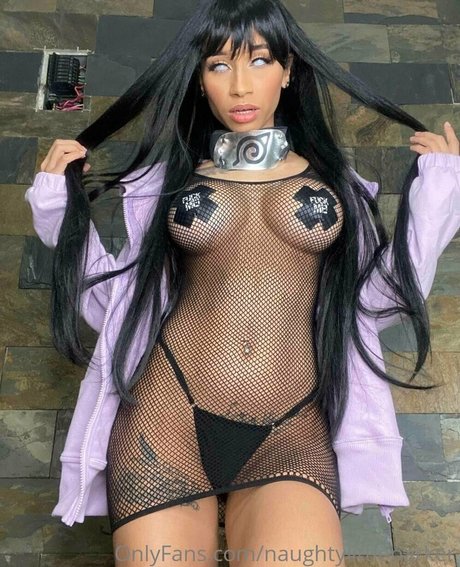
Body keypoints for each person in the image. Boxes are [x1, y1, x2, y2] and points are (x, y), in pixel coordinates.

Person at [25, 0, 460, 565]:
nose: (239, 85)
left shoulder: (340, 187)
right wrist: (60, 211)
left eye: (258, 60)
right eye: (218, 65)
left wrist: (436, 199)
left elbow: (380, 301)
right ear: (200, 79)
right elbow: (116, 303)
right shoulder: (164, 186)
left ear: (288, 70)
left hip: (292, 425)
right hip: (164, 416)